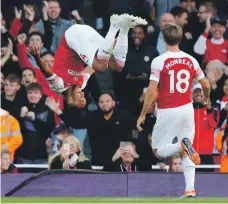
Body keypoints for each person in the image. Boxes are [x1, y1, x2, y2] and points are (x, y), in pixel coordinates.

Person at [136, 23, 211, 198]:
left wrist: (142, 114)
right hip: (187, 108)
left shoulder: (159, 61)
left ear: (163, 39)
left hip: (168, 110)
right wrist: (206, 98)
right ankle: (190, 189)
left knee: (157, 150)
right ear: (181, 37)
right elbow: (206, 84)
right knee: (188, 150)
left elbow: (152, 90)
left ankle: (180, 145)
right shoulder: (191, 60)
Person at [30, 14, 147, 98]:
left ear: (70, 100)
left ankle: (114, 26)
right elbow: (91, 68)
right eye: (84, 98)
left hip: (72, 39)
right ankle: (125, 28)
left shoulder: (60, 87)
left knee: (100, 67)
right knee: (117, 67)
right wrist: (110, 48)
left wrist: (36, 56)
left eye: (80, 98)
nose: (83, 95)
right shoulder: (81, 83)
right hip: (85, 34)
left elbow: (47, 71)